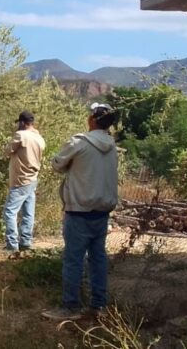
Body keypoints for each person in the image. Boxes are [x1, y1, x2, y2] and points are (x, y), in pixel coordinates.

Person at [42, 103, 119, 322]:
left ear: (93, 119)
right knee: (98, 258)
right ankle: (99, 305)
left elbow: (57, 164)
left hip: (79, 210)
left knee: (74, 260)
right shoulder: (112, 145)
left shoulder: (79, 142)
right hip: (102, 211)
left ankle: (71, 306)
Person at [3, 111, 46, 255]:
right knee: (28, 212)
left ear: (22, 122)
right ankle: (26, 242)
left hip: (20, 180)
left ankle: (12, 245)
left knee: (9, 212)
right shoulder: (39, 138)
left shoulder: (21, 135)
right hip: (32, 178)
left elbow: (6, 151)